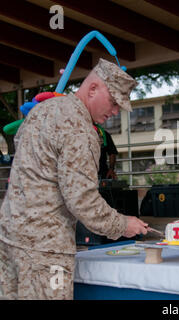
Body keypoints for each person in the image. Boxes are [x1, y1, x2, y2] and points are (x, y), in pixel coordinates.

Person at [0, 58, 149, 300]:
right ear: (93, 89)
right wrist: (123, 224)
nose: (113, 112)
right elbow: (82, 200)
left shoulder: (42, 110)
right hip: (45, 249)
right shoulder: (80, 130)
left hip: (9, 236)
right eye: (113, 103)